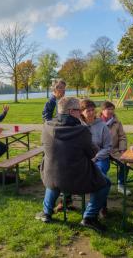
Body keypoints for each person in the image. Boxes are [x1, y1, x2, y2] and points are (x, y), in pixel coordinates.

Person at [35, 97, 110, 232]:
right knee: (105, 183)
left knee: (54, 177)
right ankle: (89, 217)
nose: (80, 112)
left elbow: (45, 147)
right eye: (78, 110)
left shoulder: (47, 126)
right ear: (71, 111)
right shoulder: (82, 130)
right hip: (76, 180)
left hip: (50, 176)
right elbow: (92, 153)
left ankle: (46, 213)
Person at [81, 99, 112, 217]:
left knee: (99, 176)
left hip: (100, 159)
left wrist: (96, 157)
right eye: (88, 110)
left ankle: (100, 206)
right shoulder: (78, 126)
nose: (91, 113)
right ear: (81, 112)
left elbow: (108, 147)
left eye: (93, 110)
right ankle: (65, 201)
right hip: (82, 159)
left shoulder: (102, 126)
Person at [100, 101, 130, 195]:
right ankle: (100, 186)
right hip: (100, 151)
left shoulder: (117, 122)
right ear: (102, 110)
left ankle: (121, 184)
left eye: (112, 109)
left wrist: (122, 149)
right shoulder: (96, 121)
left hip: (115, 150)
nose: (110, 111)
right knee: (101, 167)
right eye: (108, 109)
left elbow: (122, 137)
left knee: (126, 162)